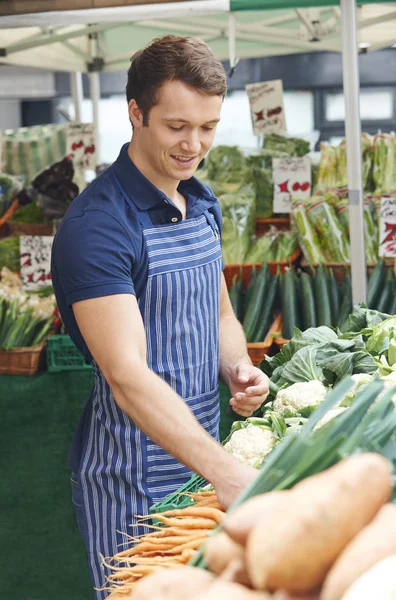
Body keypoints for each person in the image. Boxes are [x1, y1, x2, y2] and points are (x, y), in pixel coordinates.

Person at [51, 34, 270, 598]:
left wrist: (237, 366)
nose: (193, 144)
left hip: (203, 468)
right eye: (177, 126)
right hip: (134, 482)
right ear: (135, 114)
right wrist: (225, 472)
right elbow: (128, 377)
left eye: (208, 127)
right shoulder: (98, 227)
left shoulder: (199, 200)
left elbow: (218, 311)